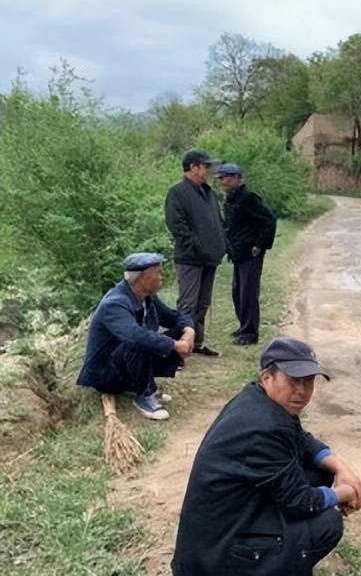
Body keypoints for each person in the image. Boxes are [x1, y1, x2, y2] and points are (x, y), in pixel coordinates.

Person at [171, 337, 361, 576]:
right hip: (215, 555)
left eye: (308, 381)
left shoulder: (260, 400)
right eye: (293, 380)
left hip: (224, 523)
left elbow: (299, 439)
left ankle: (263, 570)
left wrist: (339, 465)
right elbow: (300, 502)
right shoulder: (263, 428)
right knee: (327, 523)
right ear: (267, 377)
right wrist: (344, 494)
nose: (302, 391)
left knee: (320, 471)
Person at [77, 253, 194, 420]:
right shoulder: (115, 303)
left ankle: (144, 386)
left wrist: (189, 331)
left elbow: (173, 317)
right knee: (140, 340)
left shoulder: (147, 298)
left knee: (176, 333)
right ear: (142, 278)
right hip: (106, 374)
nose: (162, 276)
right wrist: (175, 345)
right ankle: (144, 396)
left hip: (123, 363)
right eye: (157, 273)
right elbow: (134, 336)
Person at [164, 148, 227, 357]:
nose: (208, 170)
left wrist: (221, 245)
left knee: (202, 304)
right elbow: (176, 225)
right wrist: (198, 246)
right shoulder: (177, 192)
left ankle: (197, 343)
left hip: (210, 258)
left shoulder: (207, 192)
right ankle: (179, 350)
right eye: (205, 166)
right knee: (187, 304)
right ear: (193, 167)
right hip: (190, 259)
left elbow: (218, 222)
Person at [215, 163, 277, 346]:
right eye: (220, 178)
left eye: (224, 178)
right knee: (237, 292)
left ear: (236, 178)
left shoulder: (248, 198)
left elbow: (269, 220)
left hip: (251, 253)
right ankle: (244, 327)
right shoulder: (231, 199)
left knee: (248, 293)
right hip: (238, 252)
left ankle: (250, 333)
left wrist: (260, 245)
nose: (221, 182)